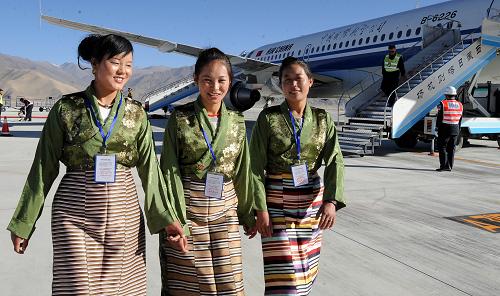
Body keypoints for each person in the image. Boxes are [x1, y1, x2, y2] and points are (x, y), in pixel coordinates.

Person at [7, 34, 182, 295]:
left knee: (122, 289)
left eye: (129, 65)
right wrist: (24, 222)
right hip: (74, 215)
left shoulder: (136, 112)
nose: (123, 71)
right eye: (115, 62)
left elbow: (150, 170)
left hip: (124, 216)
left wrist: (167, 218)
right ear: (95, 63)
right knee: (79, 288)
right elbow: (44, 166)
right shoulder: (67, 108)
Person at [159, 47, 257, 295]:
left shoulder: (236, 121)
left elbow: (243, 171)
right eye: (207, 80)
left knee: (230, 282)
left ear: (230, 82)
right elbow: (169, 171)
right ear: (196, 81)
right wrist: (176, 219)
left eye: (222, 80)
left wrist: (248, 214)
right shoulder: (180, 118)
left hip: (226, 212)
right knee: (191, 283)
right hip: (189, 211)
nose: (215, 87)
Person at [250, 56, 346, 295]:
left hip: (311, 206)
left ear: (310, 82)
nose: (293, 84)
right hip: (276, 203)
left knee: (305, 269)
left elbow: (335, 160)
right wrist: (260, 209)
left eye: (298, 79)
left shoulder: (323, 119)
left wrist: (331, 202)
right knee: (283, 275)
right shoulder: (268, 118)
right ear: (280, 85)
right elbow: (255, 167)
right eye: (287, 80)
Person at [436, 86, 463, 172]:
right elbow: (460, 118)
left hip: (445, 128)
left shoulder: (443, 103)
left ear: (446, 95)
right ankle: (449, 166)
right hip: (455, 128)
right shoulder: (460, 104)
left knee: (442, 147)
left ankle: (443, 166)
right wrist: (458, 128)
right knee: (452, 148)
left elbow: (439, 118)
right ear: (454, 95)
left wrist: (437, 128)